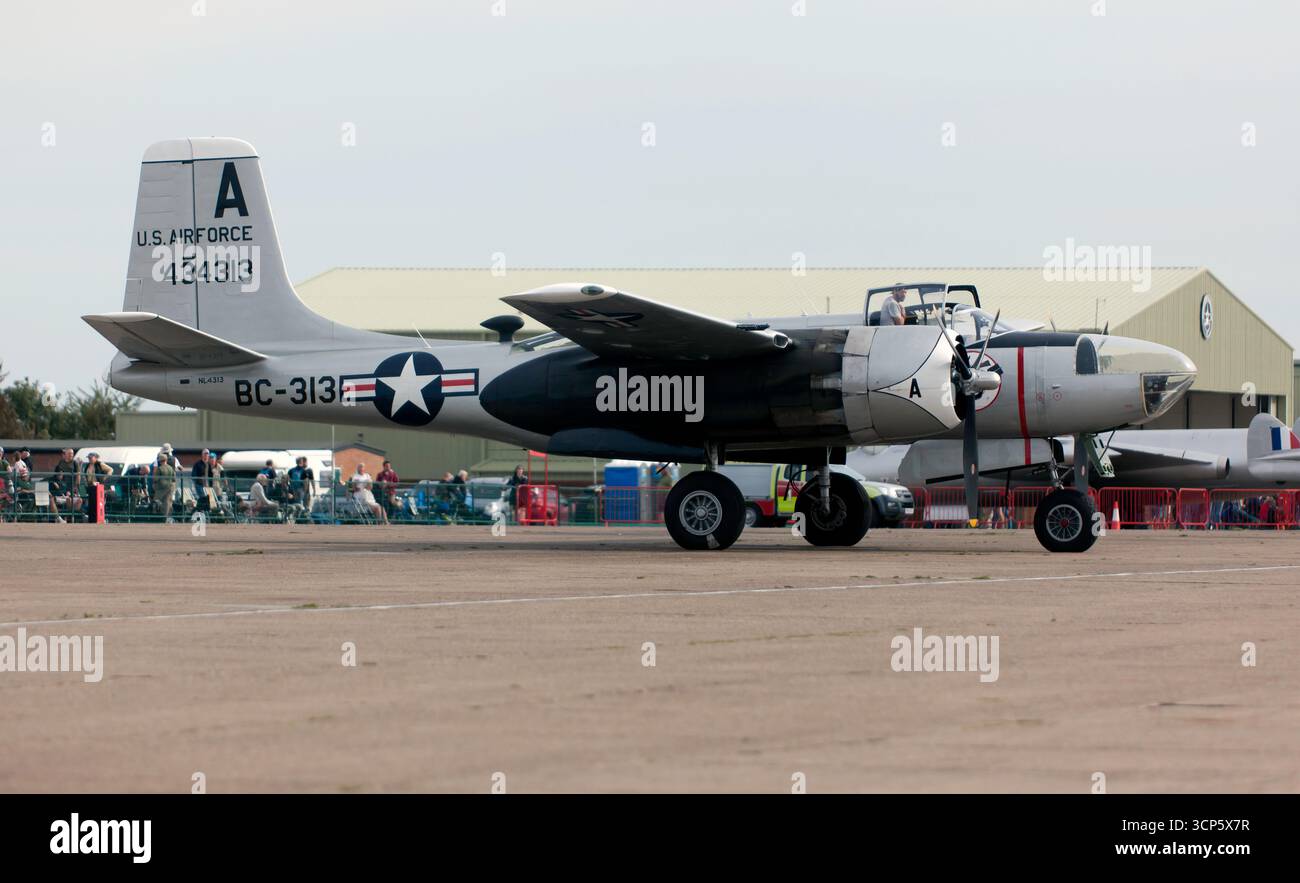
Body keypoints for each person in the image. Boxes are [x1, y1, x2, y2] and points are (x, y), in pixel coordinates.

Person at [49, 448, 81, 524]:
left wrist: (76, 487)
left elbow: (78, 475)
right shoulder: (61, 463)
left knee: (75, 501)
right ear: (65, 455)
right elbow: (57, 475)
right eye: (69, 453)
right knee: (67, 500)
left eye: (72, 454)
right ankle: (65, 518)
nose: (71, 455)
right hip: (64, 488)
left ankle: (71, 517)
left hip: (71, 487)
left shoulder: (74, 463)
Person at [152, 452, 177, 522]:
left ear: (160, 461)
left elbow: (155, 479)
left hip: (160, 489)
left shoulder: (160, 469)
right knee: (167, 503)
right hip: (170, 488)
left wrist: (154, 485)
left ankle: (154, 517)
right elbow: (174, 479)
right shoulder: (171, 468)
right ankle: (166, 517)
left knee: (155, 501)